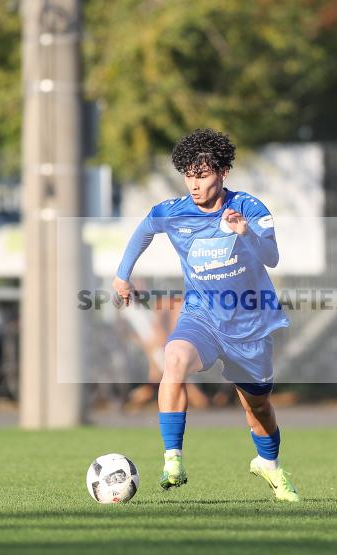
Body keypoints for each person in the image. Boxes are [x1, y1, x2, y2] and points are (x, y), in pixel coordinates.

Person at [112, 128, 299, 501]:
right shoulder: (174, 212)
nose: (194, 185)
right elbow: (145, 230)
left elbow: (272, 257)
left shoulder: (248, 208)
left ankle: (270, 465)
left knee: (257, 407)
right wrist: (122, 273)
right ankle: (173, 460)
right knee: (174, 358)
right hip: (202, 318)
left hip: (248, 323)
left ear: (223, 171)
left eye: (203, 175)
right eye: (189, 175)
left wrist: (245, 233)